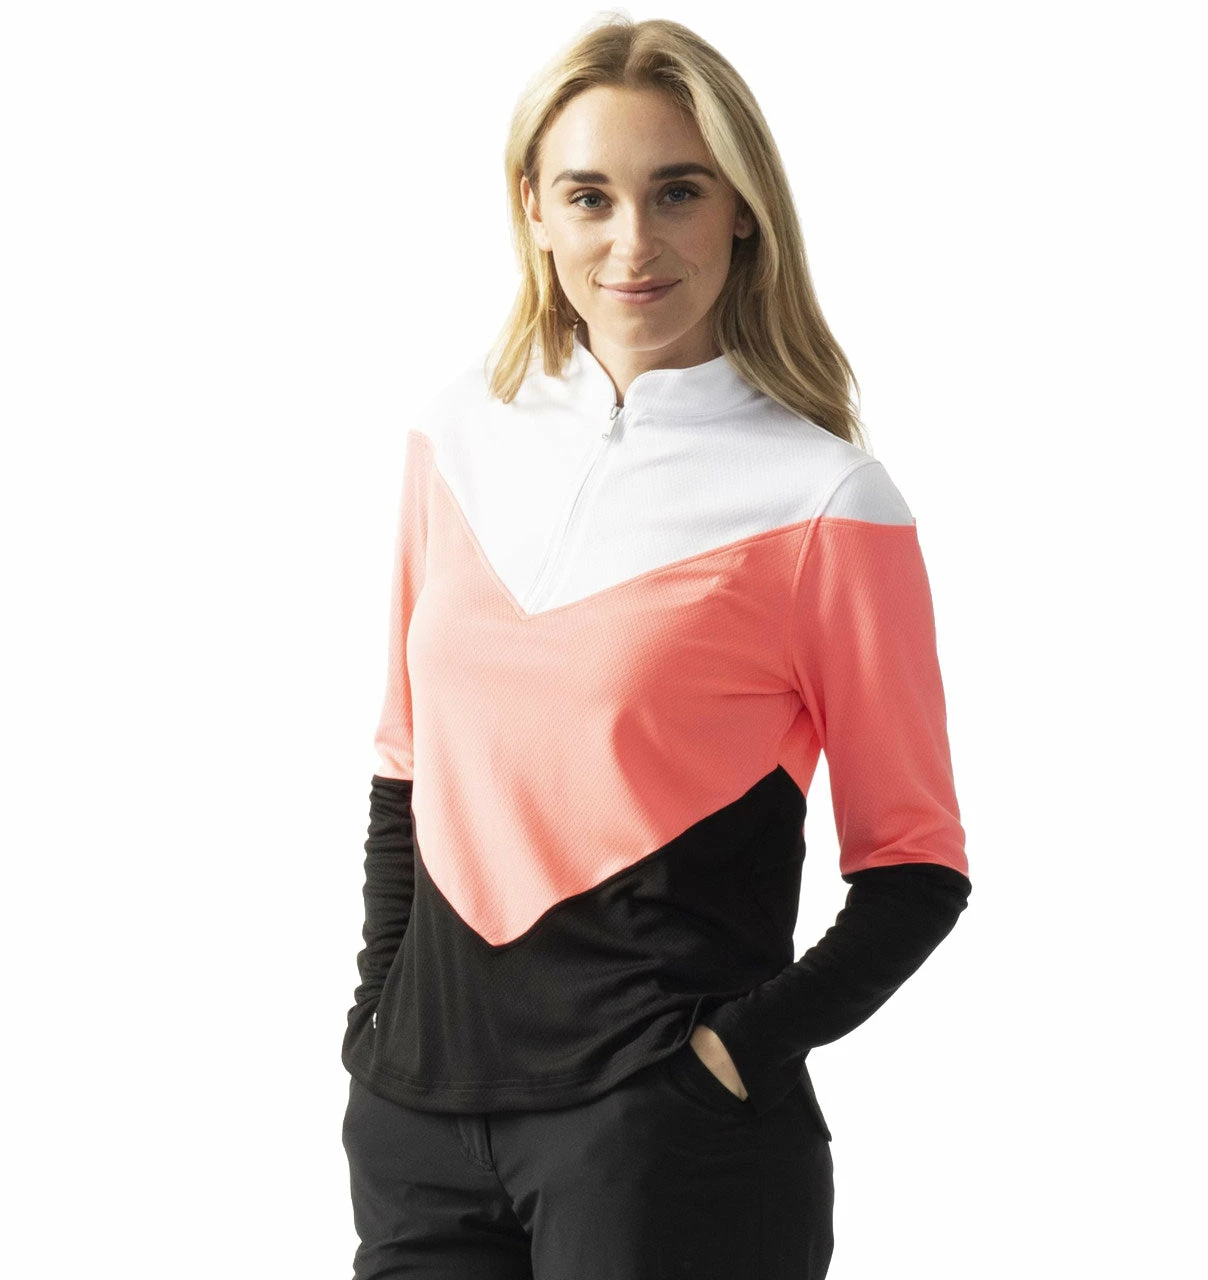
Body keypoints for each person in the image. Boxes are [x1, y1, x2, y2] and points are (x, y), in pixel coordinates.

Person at [340, 14, 972, 1280]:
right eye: (590, 195)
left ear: (740, 210)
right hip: (420, 1120)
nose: (632, 241)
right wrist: (376, 1023)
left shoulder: (822, 501)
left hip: (659, 1140)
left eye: (676, 191)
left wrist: (730, 1056)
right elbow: (405, 760)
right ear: (533, 209)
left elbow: (916, 865)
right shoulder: (456, 436)